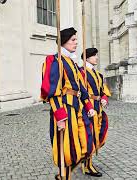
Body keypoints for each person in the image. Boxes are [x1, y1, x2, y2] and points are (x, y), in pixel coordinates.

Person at [41, 27, 96, 180]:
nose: (76, 42)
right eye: (73, 40)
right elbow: (53, 90)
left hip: (77, 107)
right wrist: (59, 116)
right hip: (64, 109)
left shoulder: (72, 63)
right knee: (65, 145)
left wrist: (89, 106)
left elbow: (81, 88)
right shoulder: (54, 61)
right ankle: (64, 176)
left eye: (76, 39)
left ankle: (66, 173)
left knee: (85, 140)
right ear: (64, 41)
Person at [79, 48, 111, 177]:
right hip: (88, 109)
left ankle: (87, 161)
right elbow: (80, 91)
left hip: (98, 108)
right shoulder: (81, 73)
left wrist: (104, 98)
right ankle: (87, 166)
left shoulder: (98, 75)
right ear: (87, 58)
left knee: (97, 134)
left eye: (96, 55)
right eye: (94, 56)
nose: (96, 58)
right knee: (89, 136)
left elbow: (104, 91)